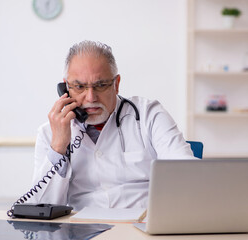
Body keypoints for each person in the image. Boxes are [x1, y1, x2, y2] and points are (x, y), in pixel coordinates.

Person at [28, 40, 196, 211]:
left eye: (100, 85)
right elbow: (40, 208)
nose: (91, 97)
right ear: (66, 88)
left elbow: (187, 174)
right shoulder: (50, 133)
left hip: (142, 227)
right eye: (79, 87)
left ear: (116, 84)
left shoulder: (148, 115)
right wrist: (58, 148)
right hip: (81, 231)